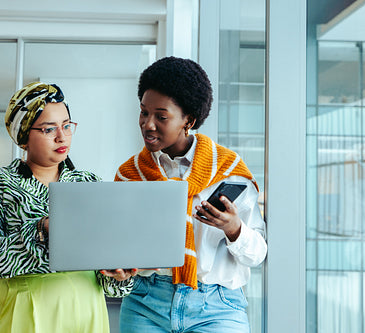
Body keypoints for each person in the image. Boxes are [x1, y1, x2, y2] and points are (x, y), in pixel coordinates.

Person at [0, 81, 134, 333]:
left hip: (88, 310)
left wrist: (119, 274)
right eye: (48, 129)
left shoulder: (89, 183)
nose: (62, 136)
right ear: (23, 136)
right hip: (26, 312)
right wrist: (41, 230)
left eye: (67, 126)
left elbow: (107, 270)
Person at [114, 56, 268, 332]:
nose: (148, 124)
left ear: (189, 120)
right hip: (146, 303)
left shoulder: (228, 170)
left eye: (161, 116)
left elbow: (256, 255)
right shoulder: (130, 174)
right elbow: (120, 242)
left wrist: (233, 228)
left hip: (217, 307)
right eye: (143, 112)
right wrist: (122, 265)